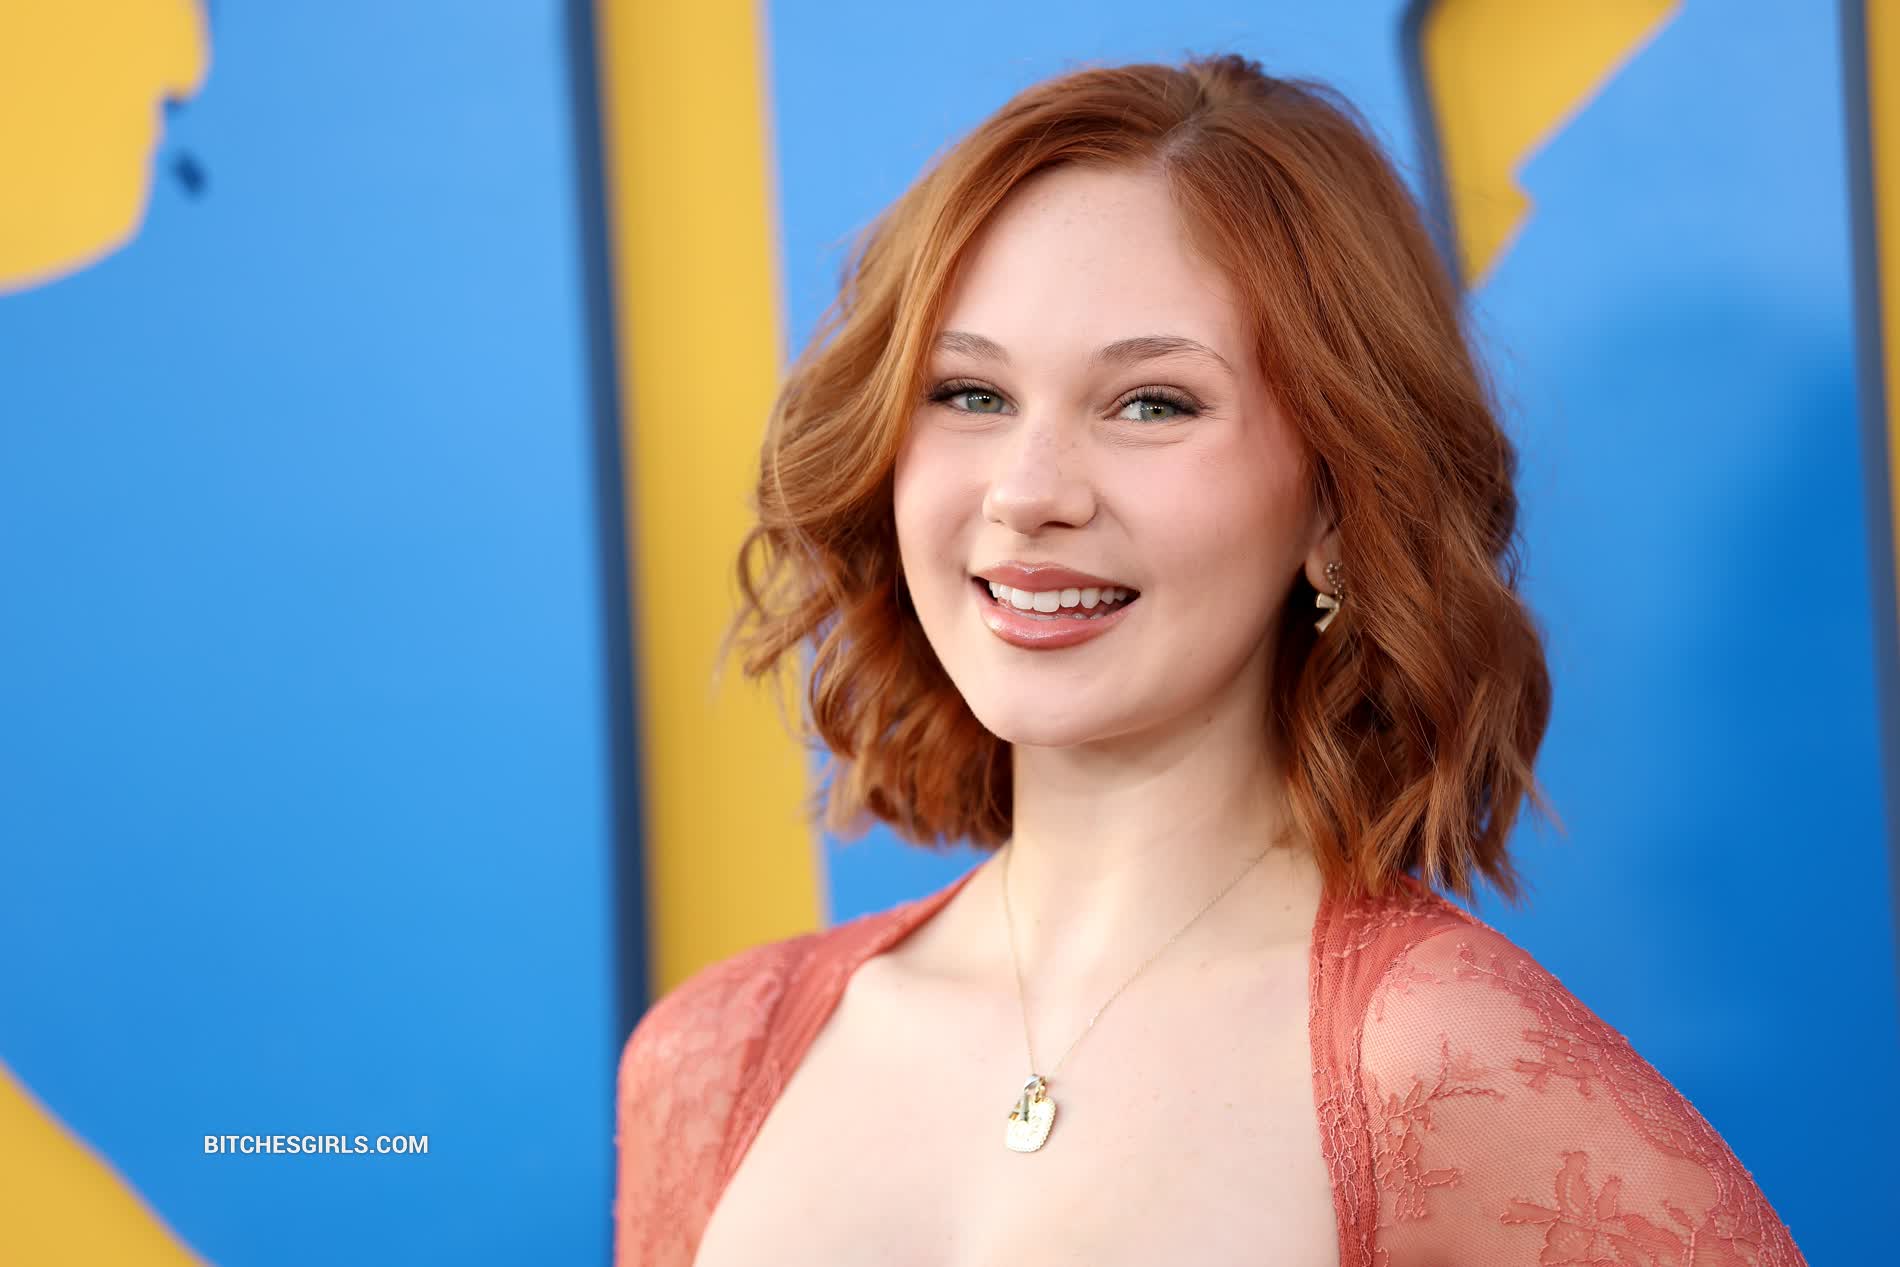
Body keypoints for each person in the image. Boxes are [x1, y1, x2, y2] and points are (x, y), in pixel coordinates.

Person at [613, 52, 1808, 1266]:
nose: (1027, 492)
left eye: (1151, 404)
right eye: (969, 393)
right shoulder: (718, 1056)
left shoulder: (1445, 1073)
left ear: (1335, 499)